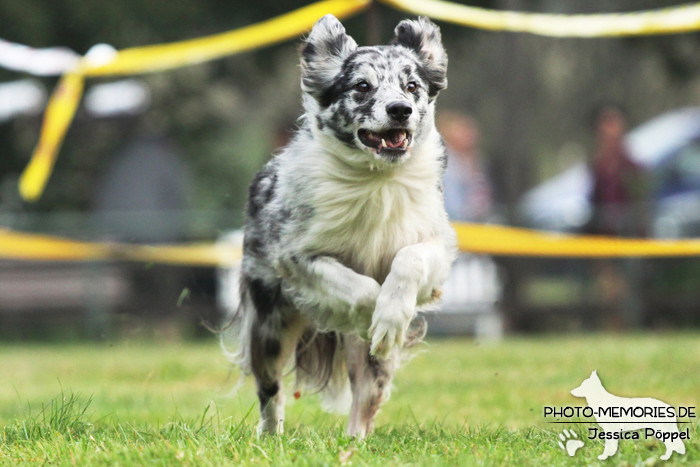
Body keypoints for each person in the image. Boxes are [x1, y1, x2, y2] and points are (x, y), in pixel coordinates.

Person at [438, 111, 493, 222]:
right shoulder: (445, 162)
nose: (470, 135)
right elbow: (452, 203)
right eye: (463, 130)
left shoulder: (476, 160)